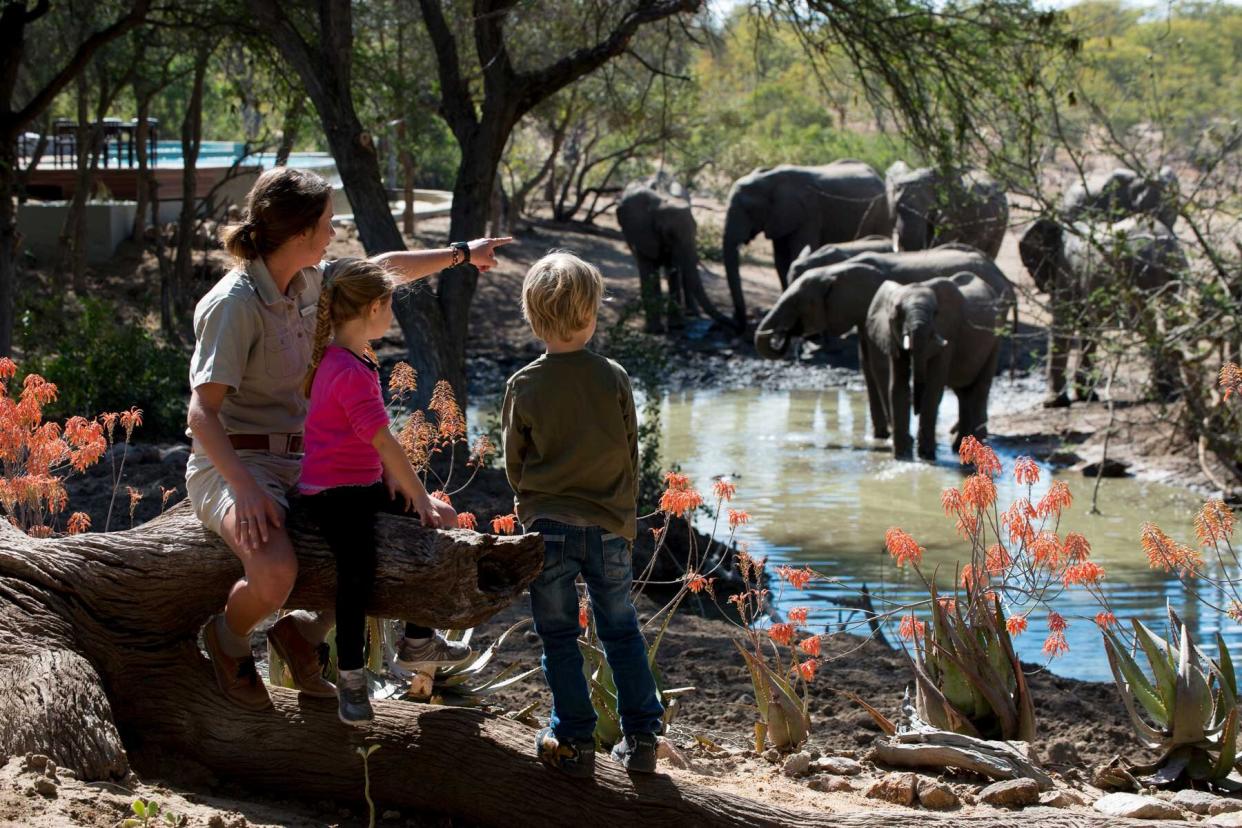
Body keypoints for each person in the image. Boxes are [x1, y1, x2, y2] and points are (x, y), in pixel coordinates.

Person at [187, 165, 509, 710]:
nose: (334, 231)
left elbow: (381, 271)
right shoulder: (234, 303)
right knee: (275, 572)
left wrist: (462, 252)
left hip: (308, 464)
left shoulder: (311, 280)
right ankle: (228, 638)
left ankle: (302, 635)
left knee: (387, 543)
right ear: (299, 233)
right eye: (328, 222)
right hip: (238, 464)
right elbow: (201, 414)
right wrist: (243, 489)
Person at [501, 251, 664, 776]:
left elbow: (514, 462)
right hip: (609, 527)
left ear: (532, 316)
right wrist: (624, 515)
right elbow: (630, 450)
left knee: (557, 635)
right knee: (620, 628)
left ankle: (573, 737)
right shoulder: (612, 376)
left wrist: (530, 506)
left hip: (547, 528)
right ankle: (642, 738)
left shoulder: (523, 385)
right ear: (592, 314)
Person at [298, 258, 466, 724]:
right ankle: (351, 679)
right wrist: (414, 493)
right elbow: (383, 439)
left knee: (446, 517)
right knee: (358, 570)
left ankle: (417, 639)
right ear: (374, 306)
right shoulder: (347, 369)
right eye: (391, 304)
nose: (392, 313)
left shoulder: (356, 359)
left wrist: (397, 483)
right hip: (332, 494)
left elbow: (366, 441)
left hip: (363, 483)